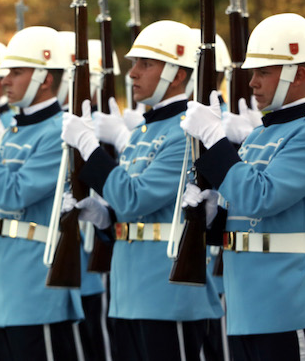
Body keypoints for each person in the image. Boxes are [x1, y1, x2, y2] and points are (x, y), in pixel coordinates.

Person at [62, 20, 223, 360]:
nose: (132, 73)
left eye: (145, 64)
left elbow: (133, 198)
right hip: (128, 295)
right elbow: (127, 211)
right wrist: (103, 218)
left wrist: (89, 147)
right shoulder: (142, 133)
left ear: (177, 74)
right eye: (134, 63)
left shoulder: (185, 135)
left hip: (168, 296)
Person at [181, 13, 305, 360]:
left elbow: (261, 197)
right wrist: (211, 211)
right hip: (243, 306)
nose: (252, 82)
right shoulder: (258, 135)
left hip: (285, 304)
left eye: (263, 72)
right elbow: (238, 206)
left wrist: (214, 138)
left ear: (298, 74)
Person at [0, 26, 85, 360]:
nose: (5, 81)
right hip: (7, 285)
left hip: (38, 287)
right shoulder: (16, 129)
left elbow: (14, 194)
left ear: (45, 78)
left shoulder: (58, 132)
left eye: (16, 72)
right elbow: (4, 213)